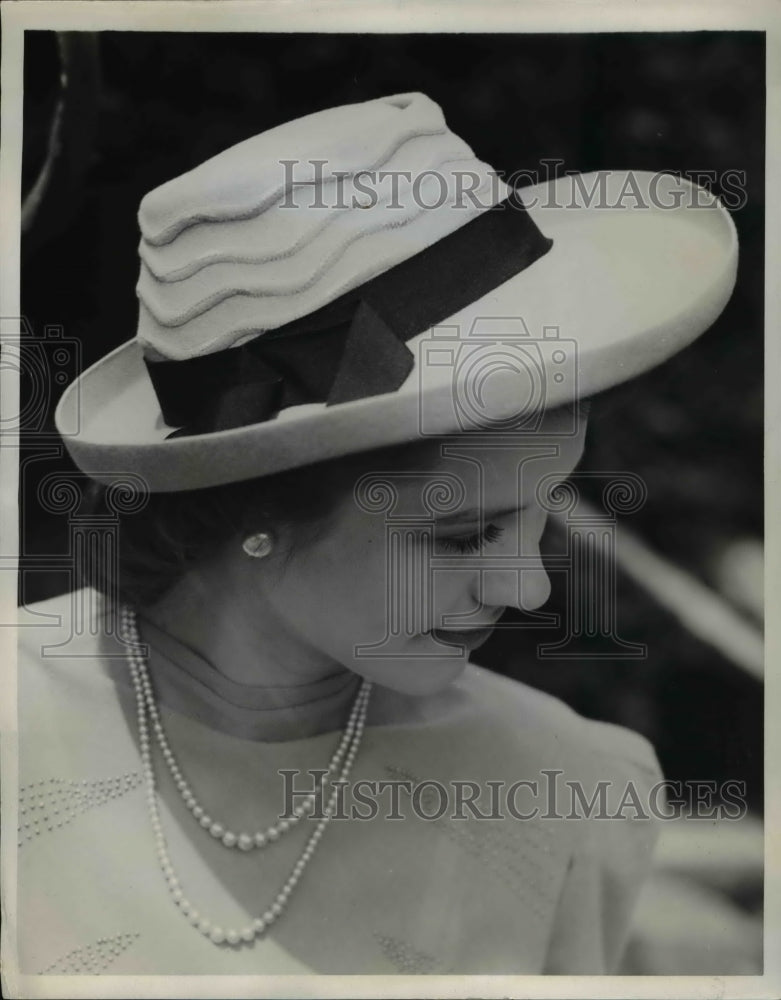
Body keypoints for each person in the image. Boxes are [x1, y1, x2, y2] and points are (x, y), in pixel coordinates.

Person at [16, 91, 738, 976]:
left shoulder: (564, 794)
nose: (531, 588)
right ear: (255, 512)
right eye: (464, 536)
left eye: (541, 508)